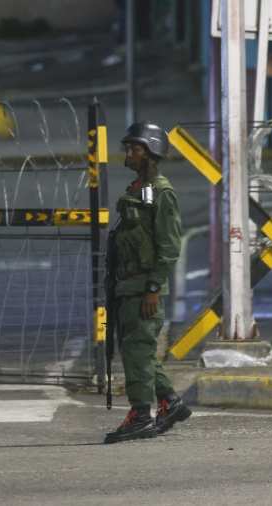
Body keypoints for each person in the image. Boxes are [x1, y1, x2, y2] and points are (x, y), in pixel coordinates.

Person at [103, 121, 191, 444]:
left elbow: (168, 246)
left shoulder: (161, 193)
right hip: (128, 285)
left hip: (143, 288)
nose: (129, 153)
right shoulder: (141, 190)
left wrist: (153, 287)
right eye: (128, 147)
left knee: (137, 351)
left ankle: (141, 415)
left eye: (135, 148)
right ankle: (170, 402)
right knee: (137, 351)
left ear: (151, 152)